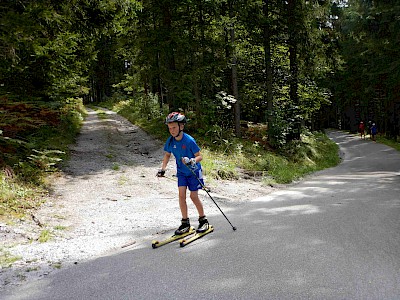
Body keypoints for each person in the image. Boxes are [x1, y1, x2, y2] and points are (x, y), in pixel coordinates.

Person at [157, 112, 210, 235]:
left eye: (174, 127)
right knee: (181, 196)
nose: (172, 130)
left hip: (193, 172)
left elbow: (199, 156)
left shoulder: (189, 140)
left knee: (193, 196)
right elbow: (167, 155)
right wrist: (163, 169)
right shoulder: (170, 141)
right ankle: (185, 222)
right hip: (181, 172)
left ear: (181, 126)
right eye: (169, 128)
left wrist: (192, 161)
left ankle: (203, 220)